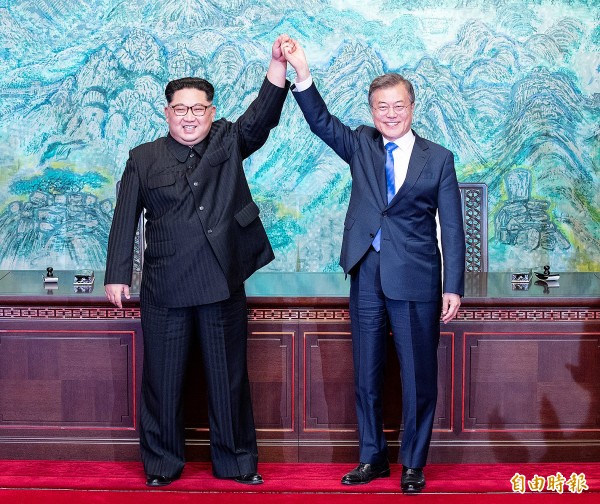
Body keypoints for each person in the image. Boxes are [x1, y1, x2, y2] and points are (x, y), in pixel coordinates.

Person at [104, 35, 293, 487]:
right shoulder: (143, 158)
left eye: (198, 109)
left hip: (221, 283)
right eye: (180, 109)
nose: (189, 117)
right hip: (164, 287)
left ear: (210, 112)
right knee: (162, 383)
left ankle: (237, 463)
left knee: (228, 381)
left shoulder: (228, 141)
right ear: (166, 112)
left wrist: (276, 66)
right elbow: (124, 217)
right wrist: (116, 276)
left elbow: (261, 118)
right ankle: (161, 466)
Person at [283, 41, 465, 493]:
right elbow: (320, 121)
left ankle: (412, 463)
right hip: (366, 274)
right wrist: (301, 71)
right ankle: (372, 458)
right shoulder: (361, 144)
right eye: (381, 106)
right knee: (366, 374)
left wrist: (453, 286)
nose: (390, 114)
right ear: (372, 109)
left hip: (417, 279)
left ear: (411, 107)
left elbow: (453, 226)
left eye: (398, 105)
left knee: (418, 378)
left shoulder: (438, 158)